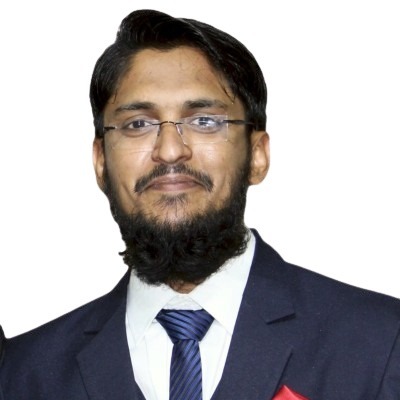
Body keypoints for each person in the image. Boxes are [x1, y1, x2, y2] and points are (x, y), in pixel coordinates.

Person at [1, 9, 399, 400]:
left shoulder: (382, 344)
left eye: (205, 121)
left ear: (257, 155)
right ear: (101, 162)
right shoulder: (22, 374)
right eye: (138, 124)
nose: (170, 150)